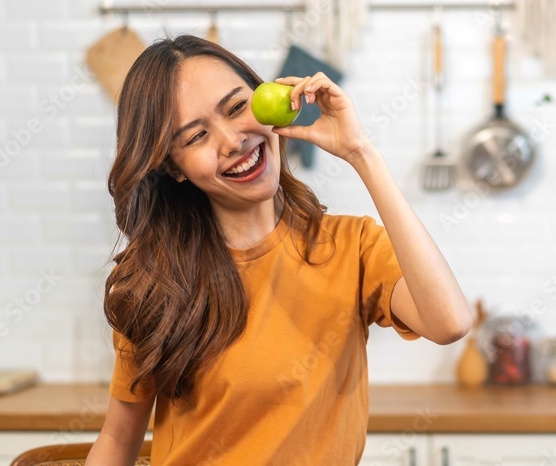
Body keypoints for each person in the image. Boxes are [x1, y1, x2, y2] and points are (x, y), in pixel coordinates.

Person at [86, 35, 472, 465]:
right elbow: (119, 441)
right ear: (174, 168)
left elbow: (449, 322)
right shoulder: (156, 280)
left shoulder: (351, 248)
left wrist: (361, 152)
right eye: (196, 136)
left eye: (236, 107)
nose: (232, 140)